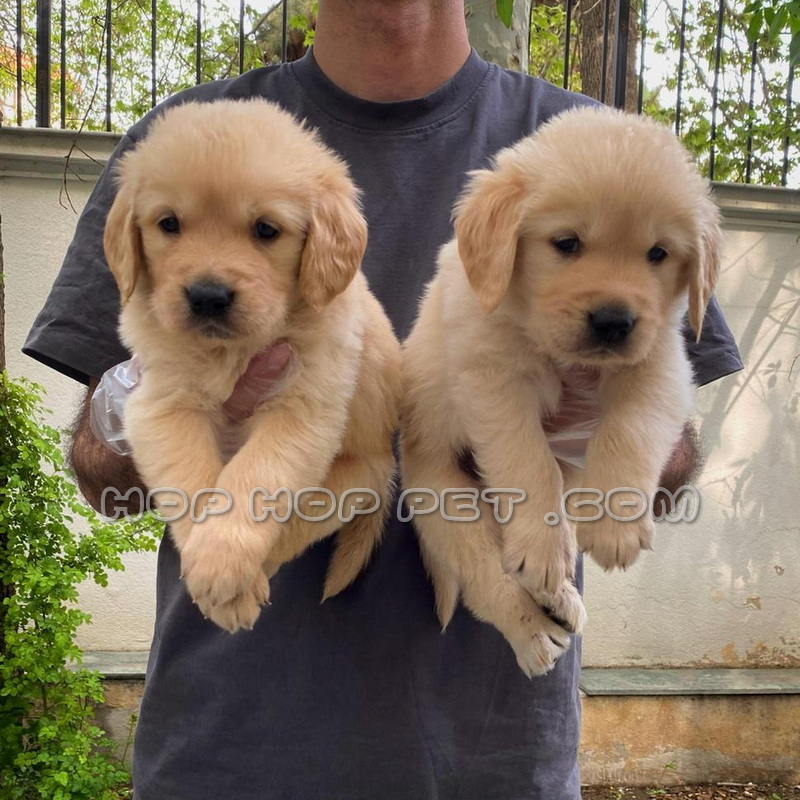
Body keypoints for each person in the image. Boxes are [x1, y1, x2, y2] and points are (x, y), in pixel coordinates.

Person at [24, 1, 743, 797]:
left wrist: (582, 443)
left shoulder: (590, 144)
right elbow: (103, 478)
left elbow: (666, 466)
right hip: (227, 754)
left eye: (265, 231)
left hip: (493, 762)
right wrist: (149, 406)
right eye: (567, 246)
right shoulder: (182, 139)